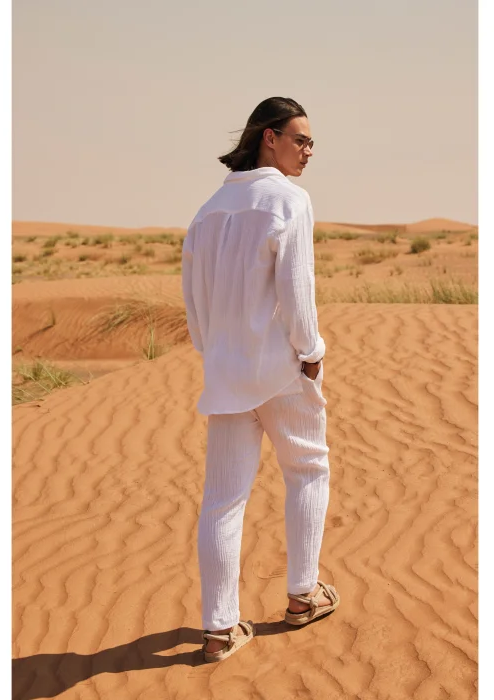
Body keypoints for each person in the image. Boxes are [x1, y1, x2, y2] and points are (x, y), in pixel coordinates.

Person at [181, 96, 340, 664]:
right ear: (269, 137)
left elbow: (193, 301)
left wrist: (216, 353)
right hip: (279, 370)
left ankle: (219, 630)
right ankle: (302, 594)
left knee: (222, 501)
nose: (309, 151)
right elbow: (298, 290)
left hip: (226, 374)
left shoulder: (207, 210)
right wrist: (312, 352)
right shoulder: (289, 200)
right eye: (301, 139)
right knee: (308, 470)